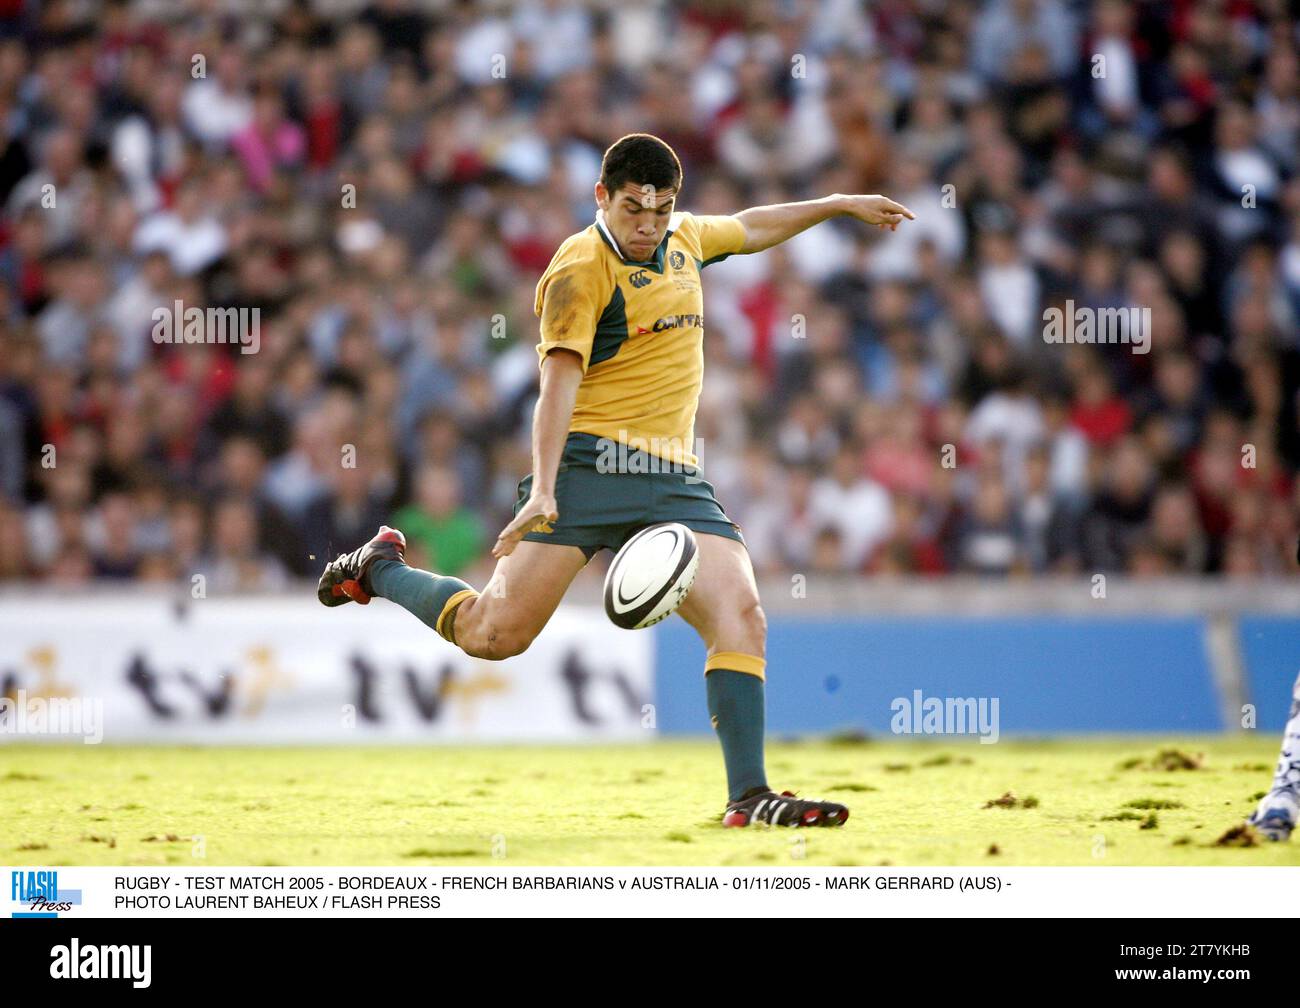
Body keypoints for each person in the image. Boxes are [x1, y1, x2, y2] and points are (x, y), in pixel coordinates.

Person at [318, 133, 914, 827]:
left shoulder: (687, 239)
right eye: (634, 209)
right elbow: (555, 386)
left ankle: (749, 798)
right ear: (601, 197)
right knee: (493, 634)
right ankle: (380, 567)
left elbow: (751, 227)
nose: (648, 224)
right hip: (585, 470)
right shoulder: (580, 267)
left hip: (673, 478)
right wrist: (542, 488)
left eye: (660, 211)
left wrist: (838, 203)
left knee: (743, 615)